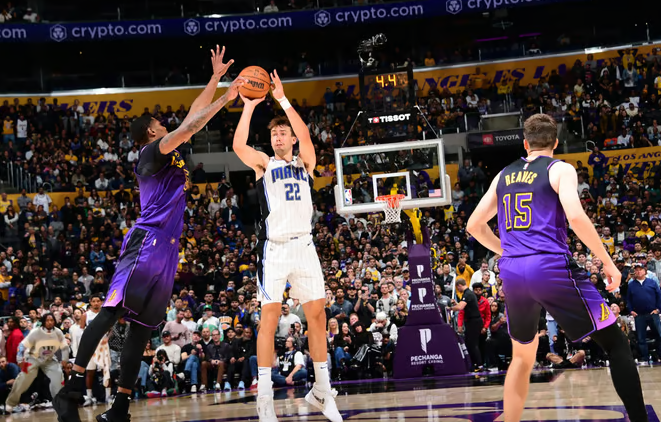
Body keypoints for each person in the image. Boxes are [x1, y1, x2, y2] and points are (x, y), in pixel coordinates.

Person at [54, 46, 245, 422]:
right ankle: (71, 389)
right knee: (111, 314)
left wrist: (213, 78)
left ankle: (120, 408)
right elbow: (192, 124)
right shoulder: (150, 153)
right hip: (146, 242)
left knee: (141, 329)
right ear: (151, 132)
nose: (166, 124)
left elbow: (193, 116)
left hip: (167, 250)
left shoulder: (168, 150)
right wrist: (227, 96)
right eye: (160, 122)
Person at [466, 113, 647, 422]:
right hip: (549, 266)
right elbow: (576, 218)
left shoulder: (503, 174)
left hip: (511, 271)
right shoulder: (559, 168)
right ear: (556, 143)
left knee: (522, 358)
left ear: (525, 144)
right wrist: (608, 261)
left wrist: (509, 251)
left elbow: (474, 225)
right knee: (616, 344)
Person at [233, 70, 341, 422]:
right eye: (274, 133)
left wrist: (281, 98)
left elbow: (307, 134)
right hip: (275, 249)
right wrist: (249, 106)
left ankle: (322, 392)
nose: (278, 136)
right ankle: (264, 399)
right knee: (268, 319)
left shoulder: (304, 163)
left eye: (283, 133)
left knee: (317, 316)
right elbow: (238, 147)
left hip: (305, 246)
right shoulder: (264, 164)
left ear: (292, 138)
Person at [6, 314, 68, 413]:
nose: (50, 322)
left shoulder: (58, 332)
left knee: (58, 375)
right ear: (43, 321)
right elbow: (22, 345)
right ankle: (11, 403)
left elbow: (65, 347)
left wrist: (65, 359)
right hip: (32, 358)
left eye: (52, 320)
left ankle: (58, 401)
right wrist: (19, 360)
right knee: (23, 379)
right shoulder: (35, 332)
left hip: (49, 359)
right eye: (47, 320)